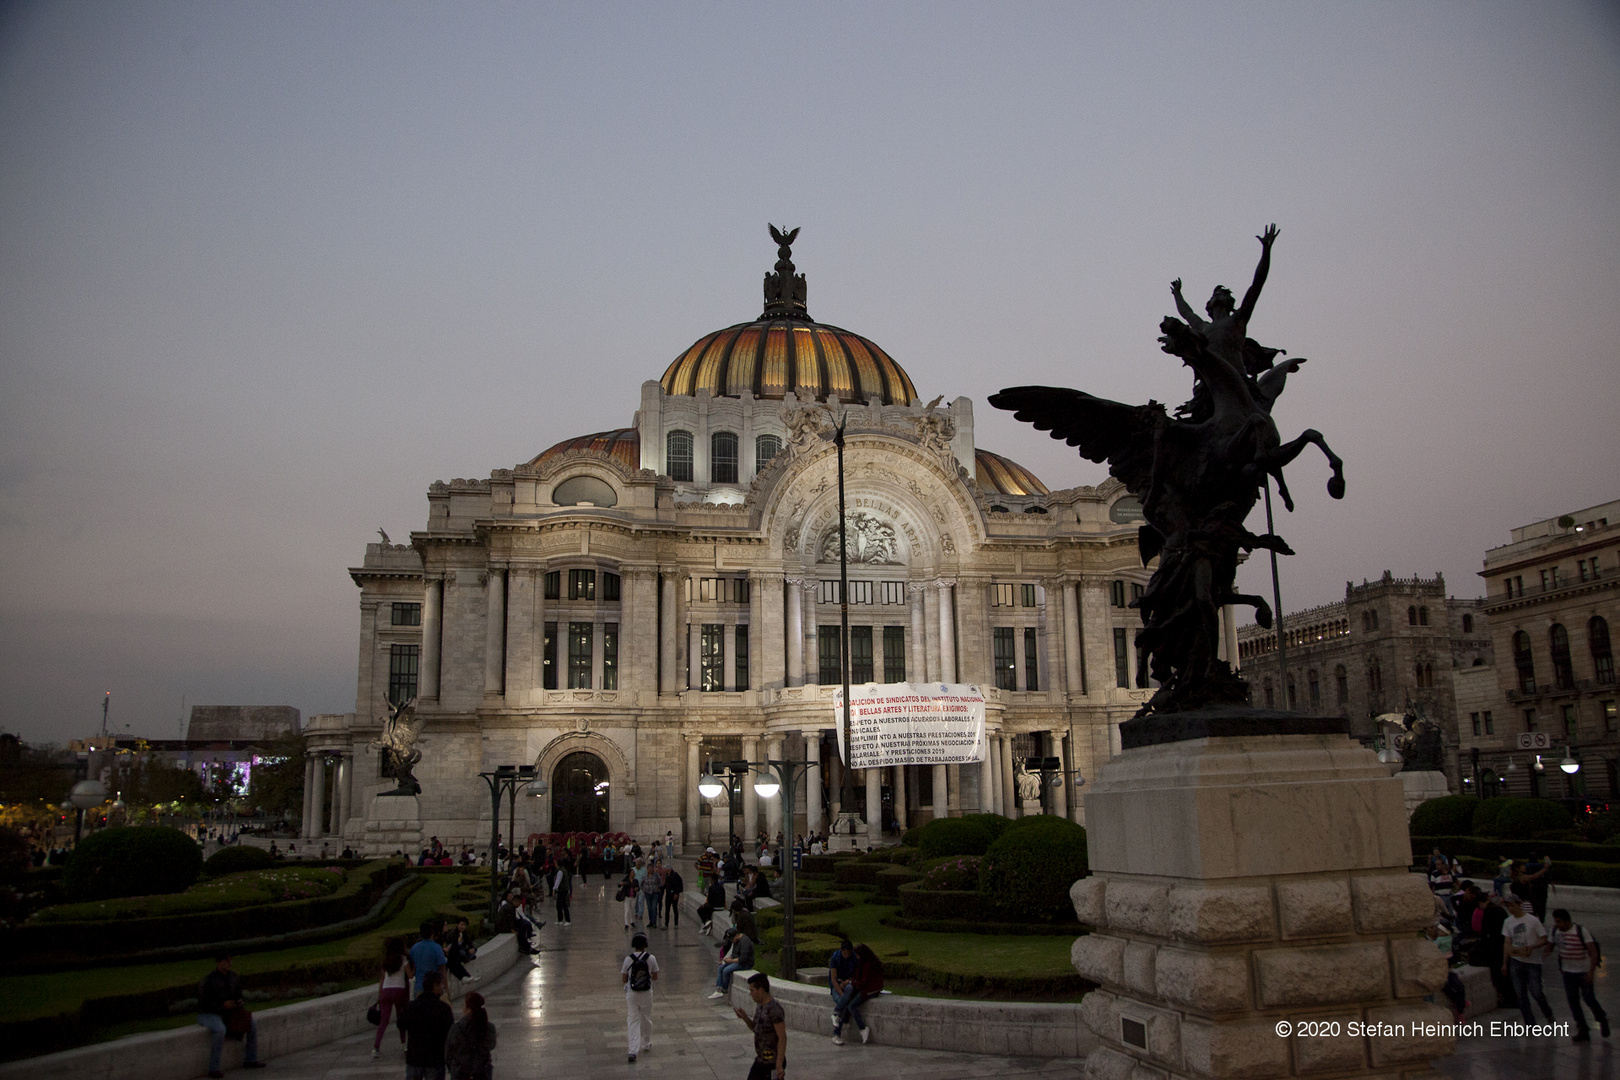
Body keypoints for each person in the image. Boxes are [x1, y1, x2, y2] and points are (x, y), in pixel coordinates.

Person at [196, 953, 266, 1078]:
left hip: (229, 1012)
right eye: (226, 961)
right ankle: (214, 1068)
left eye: (230, 961)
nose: (229, 963)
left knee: (252, 1023)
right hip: (210, 1013)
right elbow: (204, 1003)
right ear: (218, 962)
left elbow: (238, 994)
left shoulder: (233, 977)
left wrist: (239, 1001)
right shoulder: (209, 980)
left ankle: (251, 1059)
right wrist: (222, 1005)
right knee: (219, 1030)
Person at [1550, 908, 1609, 1041]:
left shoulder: (1581, 931)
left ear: (1566, 921)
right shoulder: (1555, 931)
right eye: (1555, 921)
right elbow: (1551, 944)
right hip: (1567, 972)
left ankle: (1601, 1018)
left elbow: (1593, 952)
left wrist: (1590, 972)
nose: (1557, 924)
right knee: (1573, 1001)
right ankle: (1582, 1029)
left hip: (1583, 972)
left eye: (1559, 921)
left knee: (1589, 998)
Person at [1501, 897, 1556, 1025]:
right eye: (1508, 907)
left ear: (1519, 904)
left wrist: (1533, 947)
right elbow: (1507, 943)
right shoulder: (1508, 922)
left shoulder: (1533, 921)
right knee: (1521, 994)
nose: (1510, 909)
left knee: (1536, 992)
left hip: (1533, 962)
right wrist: (1505, 962)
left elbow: (1544, 938)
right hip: (1516, 960)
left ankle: (1547, 1013)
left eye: (1512, 906)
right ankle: (1529, 1022)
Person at [401, 970, 454, 1080]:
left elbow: (401, 1024)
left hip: (414, 1059)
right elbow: (450, 1033)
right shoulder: (443, 1008)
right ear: (435, 986)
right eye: (441, 984)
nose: (443, 987)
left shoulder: (410, 1007)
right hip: (435, 1059)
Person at [734, 972, 787, 1080]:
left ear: (761, 990)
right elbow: (756, 1028)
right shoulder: (760, 1006)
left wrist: (779, 1064)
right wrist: (745, 1017)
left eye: (752, 990)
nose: (750, 993)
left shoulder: (774, 1010)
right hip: (761, 1060)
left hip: (771, 1062)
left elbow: (782, 1037)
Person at [833, 943, 883, 1045]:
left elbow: (864, 982)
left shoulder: (868, 965)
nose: (856, 957)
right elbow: (858, 978)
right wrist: (850, 981)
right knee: (847, 1001)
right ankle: (838, 1030)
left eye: (858, 955)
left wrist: (850, 982)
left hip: (870, 990)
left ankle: (862, 1028)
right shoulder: (863, 963)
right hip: (863, 987)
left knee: (851, 1005)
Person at [622, 931, 661, 1062]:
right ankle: (646, 1041)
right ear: (645, 945)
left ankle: (632, 1050)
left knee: (633, 1019)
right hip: (646, 992)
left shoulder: (628, 959)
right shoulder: (651, 958)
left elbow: (623, 978)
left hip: (632, 993)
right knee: (645, 1017)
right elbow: (655, 977)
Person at [373, 936, 413, 1057]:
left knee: (383, 1021)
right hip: (399, 990)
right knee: (400, 1018)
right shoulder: (403, 959)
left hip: (386, 991)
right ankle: (404, 1044)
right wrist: (415, 969)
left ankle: (376, 1047)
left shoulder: (386, 960)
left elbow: (382, 979)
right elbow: (410, 976)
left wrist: (379, 995)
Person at [444, 989, 497, 1080]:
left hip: (460, 1073)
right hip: (482, 1072)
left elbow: (448, 1053)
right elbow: (491, 1045)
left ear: (468, 1009)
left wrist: (453, 1068)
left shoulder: (456, 1028)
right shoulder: (489, 1027)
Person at [709, 920, 754, 999]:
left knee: (726, 970)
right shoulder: (736, 941)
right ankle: (718, 989)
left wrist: (731, 961)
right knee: (720, 968)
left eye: (732, 938)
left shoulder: (745, 942)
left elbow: (743, 958)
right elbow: (734, 953)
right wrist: (729, 958)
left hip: (745, 964)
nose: (731, 941)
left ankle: (725, 989)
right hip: (736, 960)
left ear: (736, 935)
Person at [409, 919, 447, 994]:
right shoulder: (437, 948)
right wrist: (446, 987)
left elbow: (412, 965)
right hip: (433, 988)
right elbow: (442, 969)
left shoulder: (414, 948)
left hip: (419, 986)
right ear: (432, 933)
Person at [828, 939, 858, 1019]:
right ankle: (844, 1021)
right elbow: (833, 979)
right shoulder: (835, 958)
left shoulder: (853, 957)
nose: (847, 956)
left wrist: (846, 982)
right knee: (841, 1001)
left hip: (847, 983)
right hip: (837, 986)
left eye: (849, 953)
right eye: (845, 954)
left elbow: (855, 973)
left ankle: (836, 1014)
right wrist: (842, 995)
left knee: (849, 989)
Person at [554, 856, 574, 927]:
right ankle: (560, 920)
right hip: (563, 889)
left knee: (564, 905)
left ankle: (568, 920)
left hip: (562, 890)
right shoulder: (563, 870)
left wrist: (554, 888)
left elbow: (558, 881)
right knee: (558, 905)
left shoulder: (560, 871)